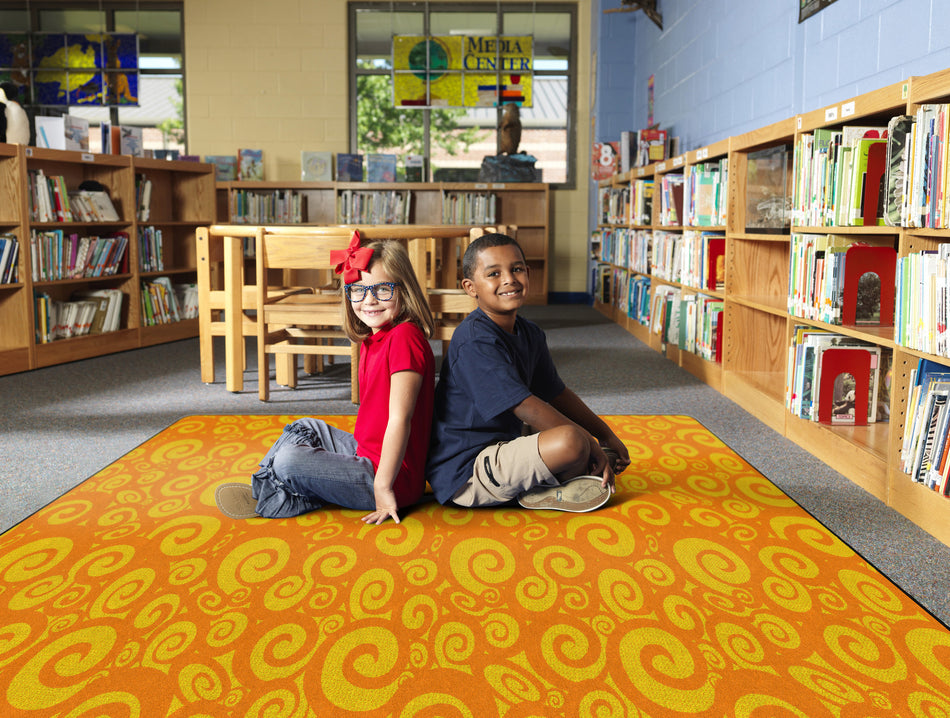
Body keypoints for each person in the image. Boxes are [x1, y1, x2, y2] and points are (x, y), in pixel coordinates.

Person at [215, 234, 435, 525]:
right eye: (357, 290)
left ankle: (282, 494)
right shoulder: (374, 338)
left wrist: (382, 487)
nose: (368, 300)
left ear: (404, 291)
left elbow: (400, 420)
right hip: (366, 451)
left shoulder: (405, 337)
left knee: (289, 461)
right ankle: (284, 486)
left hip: (392, 478)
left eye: (382, 289)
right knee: (304, 427)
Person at [426, 233, 631, 512]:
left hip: (505, 441)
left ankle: (561, 475)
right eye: (494, 273)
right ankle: (546, 487)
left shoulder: (529, 332)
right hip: (467, 471)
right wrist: (589, 443)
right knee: (571, 441)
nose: (509, 279)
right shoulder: (474, 339)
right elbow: (524, 406)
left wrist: (604, 434)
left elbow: (557, 393)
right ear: (471, 287)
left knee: (570, 437)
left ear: (528, 273)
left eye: (517, 269)